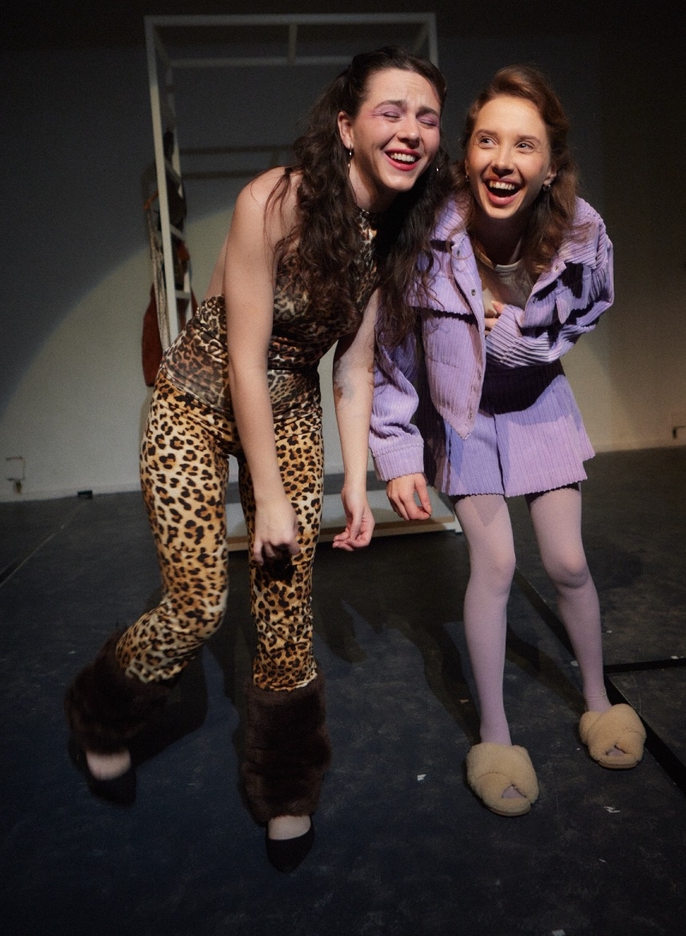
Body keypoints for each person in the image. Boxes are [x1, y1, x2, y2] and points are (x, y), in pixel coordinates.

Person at [65, 46, 450, 868]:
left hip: (294, 409)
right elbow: (245, 359)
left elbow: (352, 370)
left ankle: (285, 782)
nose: (410, 131)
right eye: (390, 111)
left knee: (284, 609)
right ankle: (101, 711)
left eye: (426, 117)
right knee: (200, 604)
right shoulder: (273, 201)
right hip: (196, 403)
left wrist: (356, 485)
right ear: (346, 127)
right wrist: (269, 498)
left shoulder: (394, 231)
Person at [369, 65, 645, 817]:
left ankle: (598, 702)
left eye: (524, 145)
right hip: (463, 418)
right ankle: (495, 738)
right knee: (495, 565)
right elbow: (391, 354)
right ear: (466, 154)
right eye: (487, 140)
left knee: (568, 562)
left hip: (538, 402)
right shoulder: (427, 237)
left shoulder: (579, 230)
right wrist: (396, 454)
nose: (503, 160)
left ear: (549, 165)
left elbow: (588, 308)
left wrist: (514, 333)